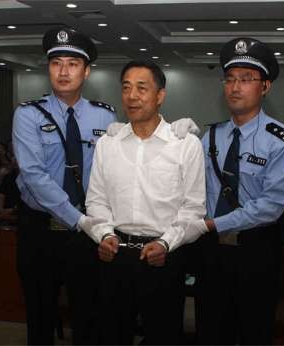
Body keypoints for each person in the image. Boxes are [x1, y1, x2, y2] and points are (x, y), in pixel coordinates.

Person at [84, 60, 207, 345]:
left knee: (163, 335)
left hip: (164, 257)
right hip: (115, 256)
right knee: (112, 335)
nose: (132, 96)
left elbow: (193, 208)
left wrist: (165, 244)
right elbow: (97, 199)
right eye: (126, 88)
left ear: (160, 96)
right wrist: (103, 234)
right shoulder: (108, 144)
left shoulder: (185, 144)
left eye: (142, 88)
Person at [12, 27, 117, 345]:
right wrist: (79, 219)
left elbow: (123, 162)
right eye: (56, 63)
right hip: (41, 231)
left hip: (87, 234)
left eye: (72, 63)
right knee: (40, 317)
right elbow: (34, 175)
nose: (63, 70)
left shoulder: (105, 117)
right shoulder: (28, 115)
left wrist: (172, 133)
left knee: (90, 316)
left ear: (86, 71)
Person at [196, 38, 284, 345]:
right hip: (212, 251)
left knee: (254, 331)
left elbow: (271, 205)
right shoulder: (210, 136)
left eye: (246, 79)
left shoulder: (283, 140)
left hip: (255, 251)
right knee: (211, 329)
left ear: (265, 87)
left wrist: (215, 224)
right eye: (229, 79)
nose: (235, 87)